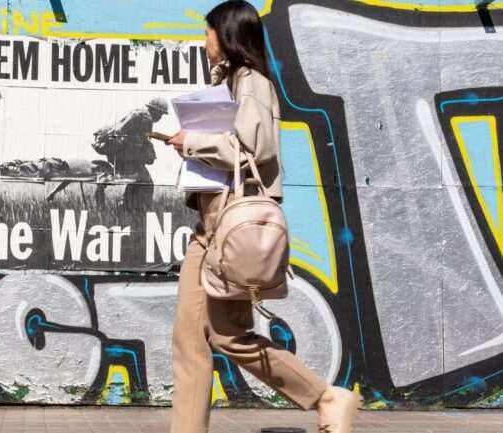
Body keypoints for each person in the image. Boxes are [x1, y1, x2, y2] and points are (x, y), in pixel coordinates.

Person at [164, 2, 361, 433]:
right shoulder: (229, 82)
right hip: (209, 229)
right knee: (190, 340)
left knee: (228, 335)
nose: (204, 41)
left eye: (208, 32)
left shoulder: (252, 82)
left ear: (227, 35)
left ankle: (325, 396)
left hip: (233, 229)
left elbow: (256, 148)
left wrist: (192, 142)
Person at [94, 98, 168, 210]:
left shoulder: (138, 113)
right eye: (161, 113)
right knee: (146, 183)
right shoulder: (146, 118)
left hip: (120, 155)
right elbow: (142, 142)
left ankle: (126, 206)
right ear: (155, 110)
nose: (160, 117)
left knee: (137, 182)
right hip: (127, 158)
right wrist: (146, 156)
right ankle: (138, 210)